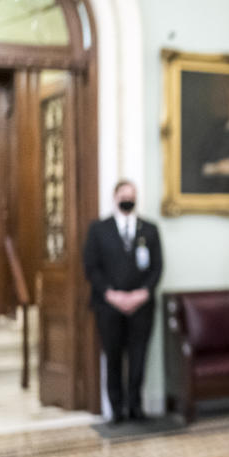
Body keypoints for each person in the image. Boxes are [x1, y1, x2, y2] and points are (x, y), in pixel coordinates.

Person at [82, 180, 163, 424]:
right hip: (109, 305)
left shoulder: (148, 229)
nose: (128, 199)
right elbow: (91, 267)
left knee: (138, 356)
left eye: (132, 195)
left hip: (141, 305)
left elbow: (157, 267)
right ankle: (116, 409)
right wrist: (111, 294)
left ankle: (135, 407)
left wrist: (142, 293)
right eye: (123, 195)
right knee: (113, 356)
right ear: (115, 197)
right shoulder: (99, 229)